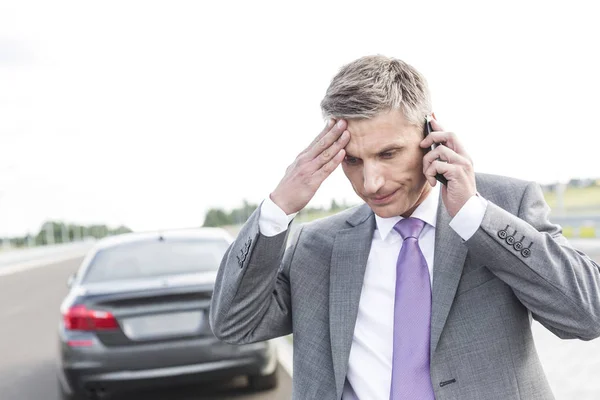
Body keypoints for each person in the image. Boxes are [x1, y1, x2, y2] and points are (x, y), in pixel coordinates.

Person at [209, 55, 600, 400]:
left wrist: (475, 217)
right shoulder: (317, 245)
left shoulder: (503, 206)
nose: (371, 183)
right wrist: (278, 210)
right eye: (353, 161)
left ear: (430, 136)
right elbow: (234, 323)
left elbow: (586, 315)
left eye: (388, 154)